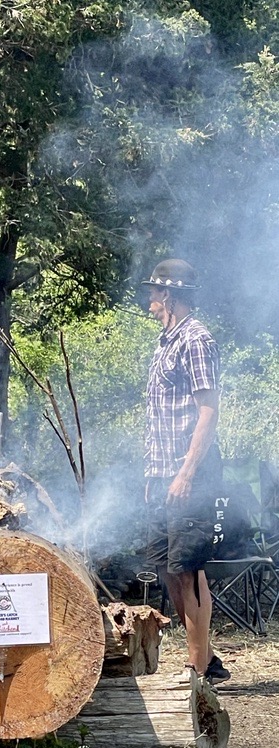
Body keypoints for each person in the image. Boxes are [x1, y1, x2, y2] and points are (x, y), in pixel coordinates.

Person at [141, 258, 230, 683]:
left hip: (190, 475)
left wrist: (186, 473)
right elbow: (159, 415)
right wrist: (153, 475)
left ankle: (198, 667)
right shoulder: (166, 342)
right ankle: (206, 659)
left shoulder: (196, 340)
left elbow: (208, 413)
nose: (150, 301)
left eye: (154, 294)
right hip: (164, 473)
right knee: (168, 564)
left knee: (188, 567)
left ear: (171, 295)